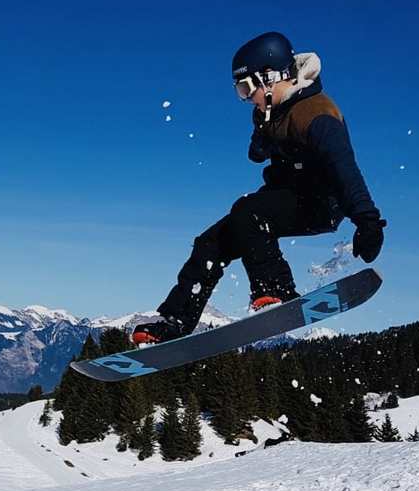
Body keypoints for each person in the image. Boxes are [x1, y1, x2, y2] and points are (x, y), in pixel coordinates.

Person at [133, 31, 386, 345]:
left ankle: (277, 292)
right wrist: (264, 133)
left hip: (321, 202)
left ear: (272, 78)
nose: (246, 97)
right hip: (286, 196)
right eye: (241, 90)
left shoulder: (317, 114)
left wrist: (367, 221)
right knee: (210, 243)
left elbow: (345, 168)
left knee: (248, 212)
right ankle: (175, 320)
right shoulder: (270, 110)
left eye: (247, 88)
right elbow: (257, 153)